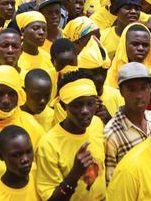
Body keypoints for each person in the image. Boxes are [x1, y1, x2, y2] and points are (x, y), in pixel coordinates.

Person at [35, 71, 106, 200]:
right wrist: (74, 174)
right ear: (63, 106)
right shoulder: (49, 144)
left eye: (90, 103)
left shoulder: (96, 124)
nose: (85, 111)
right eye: (77, 105)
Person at [103, 62, 151, 183]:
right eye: (132, 89)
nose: (139, 95)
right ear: (121, 91)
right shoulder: (111, 135)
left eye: (144, 87)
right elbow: (111, 183)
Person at [0, 124, 40, 200]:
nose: (25, 159)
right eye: (16, 155)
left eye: (29, 151)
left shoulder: (39, 174)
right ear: (0, 156)